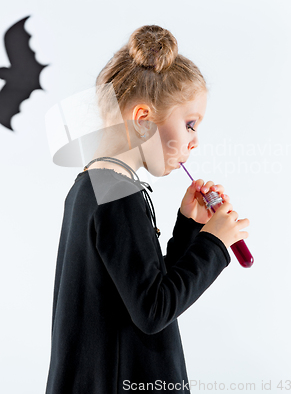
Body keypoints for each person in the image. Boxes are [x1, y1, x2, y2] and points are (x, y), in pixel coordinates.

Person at [45, 25, 250, 394]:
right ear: (142, 120)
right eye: (189, 124)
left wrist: (189, 227)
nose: (194, 140)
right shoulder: (118, 195)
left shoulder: (94, 187)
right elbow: (154, 310)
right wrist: (214, 245)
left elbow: (143, 288)